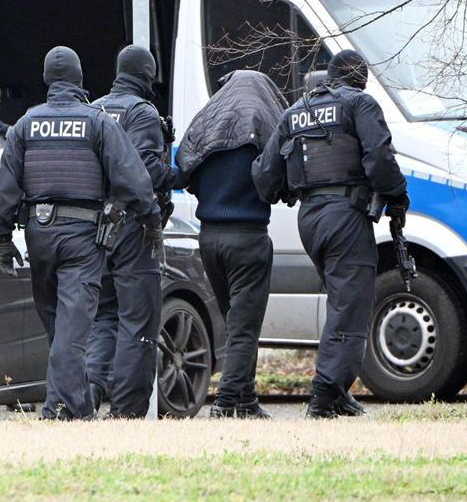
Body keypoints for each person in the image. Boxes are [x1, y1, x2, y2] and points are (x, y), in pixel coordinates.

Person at [0, 46, 160, 420]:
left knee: (57, 325)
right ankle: (71, 407)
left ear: (48, 80)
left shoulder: (25, 124)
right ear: (80, 79)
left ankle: (62, 403)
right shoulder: (96, 122)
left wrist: (4, 239)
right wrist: (150, 218)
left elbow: (4, 190)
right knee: (71, 329)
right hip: (82, 237)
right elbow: (133, 177)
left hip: (38, 233)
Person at [253, 50, 409, 418]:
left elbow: (264, 176)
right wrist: (399, 195)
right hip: (346, 216)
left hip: (310, 219)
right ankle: (325, 395)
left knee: (342, 302)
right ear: (361, 78)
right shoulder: (360, 104)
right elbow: (380, 159)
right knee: (351, 307)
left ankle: (338, 392)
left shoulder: (295, 112)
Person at [174, 70, 285, 419]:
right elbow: (280, 181)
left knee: (234, 322)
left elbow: (186, 173)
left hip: (209, 239)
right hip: (248, 239)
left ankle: (247, 400)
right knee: (244, 327)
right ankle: (224, 404)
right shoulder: (265, 130)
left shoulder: (206, 131)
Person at [85, 45, 175, 418]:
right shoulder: (143, 112)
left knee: (103, 317)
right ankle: (126, 411)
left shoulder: (93, 109)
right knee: (138, 320)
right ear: (147, 75)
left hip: (94, 228)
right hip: (134, 226)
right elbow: (147, 171)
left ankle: (88, 393)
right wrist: (184, 173)